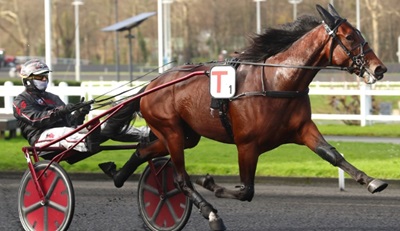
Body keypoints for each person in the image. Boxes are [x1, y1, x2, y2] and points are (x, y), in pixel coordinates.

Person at [13, 59, 92, 153]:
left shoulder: (53, 97)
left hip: (61, 133)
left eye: (45, 76)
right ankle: (88, 142)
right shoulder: (21, 100)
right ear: (27, 80)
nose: (44, 79)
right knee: (65, 133)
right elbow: (35, 119)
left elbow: (70, 123)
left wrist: (80, 113)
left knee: (91, 128)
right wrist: (60, 111)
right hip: (40, 137)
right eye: (40, 77)